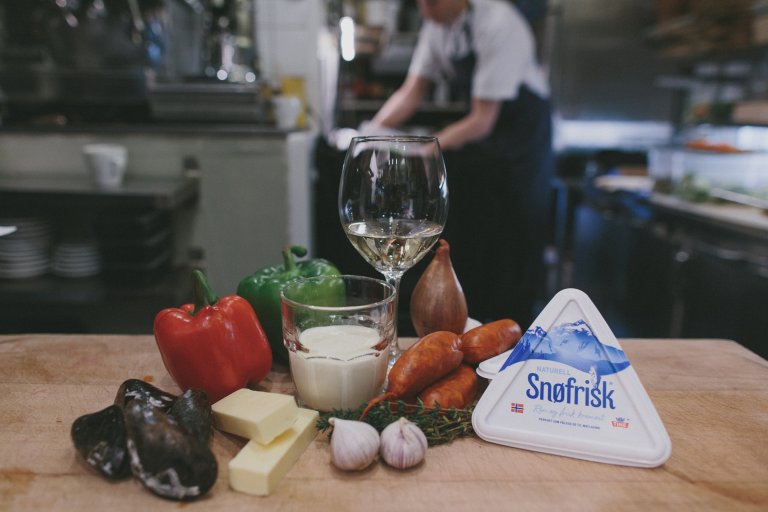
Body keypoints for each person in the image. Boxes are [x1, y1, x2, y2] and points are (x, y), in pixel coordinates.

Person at [369, 0, 554, 328]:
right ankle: (476, 328)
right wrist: (371, 134)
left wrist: (427, 151)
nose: (424, 11)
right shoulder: (438, 27)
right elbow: (412, 91)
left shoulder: (500, 23)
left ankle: (517, 336)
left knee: (517, 242)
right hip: (487, 147)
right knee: (482, 239)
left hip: (522, 143)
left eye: (431, 2)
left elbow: (483, 119)